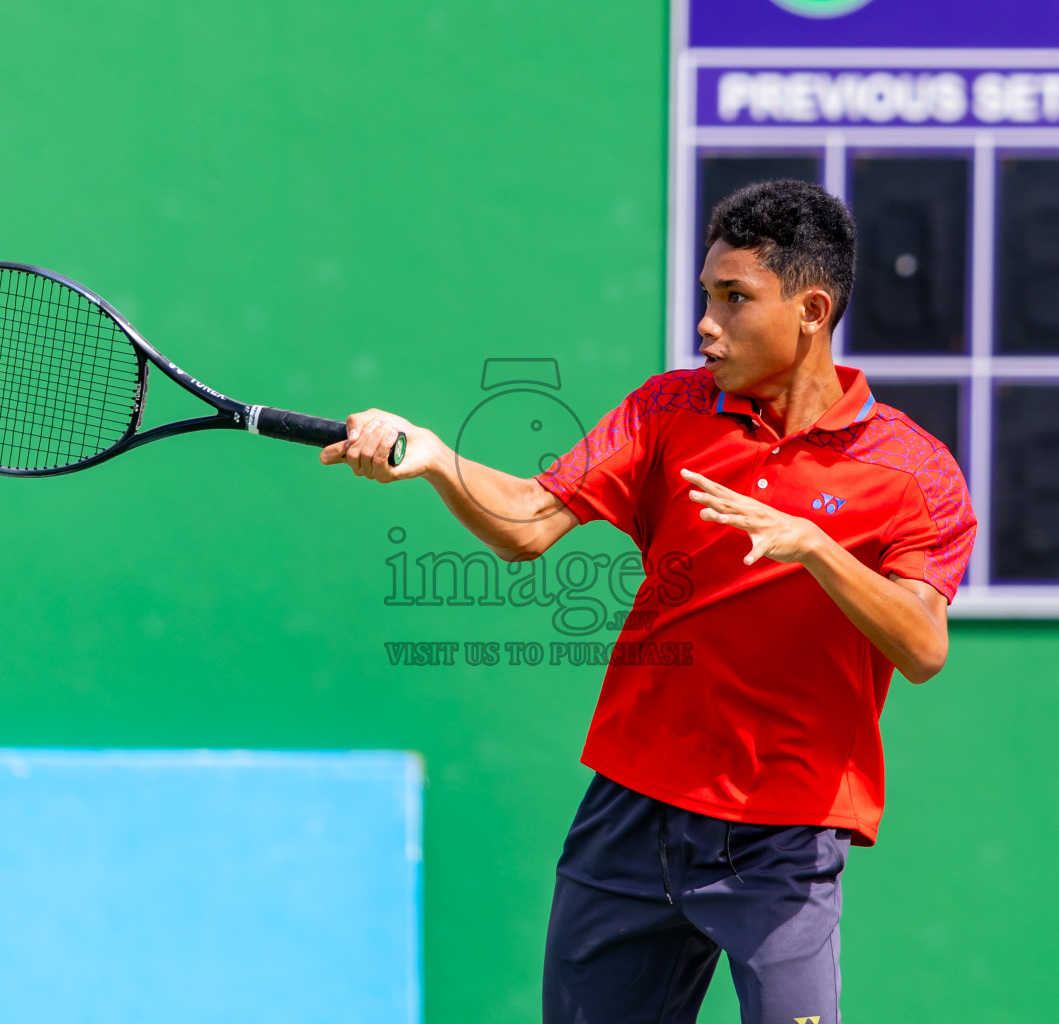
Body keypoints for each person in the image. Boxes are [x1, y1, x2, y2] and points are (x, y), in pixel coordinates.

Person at [322, 178, 976, 1023]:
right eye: (707, 294)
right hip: (633, 812)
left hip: (782, 837)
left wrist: (814, 547)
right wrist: (441, 461)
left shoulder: (912, 472)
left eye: (735, 299)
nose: (706, 322)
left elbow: (922, 647)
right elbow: (525, 521)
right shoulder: (666, 410)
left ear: (812, 310)